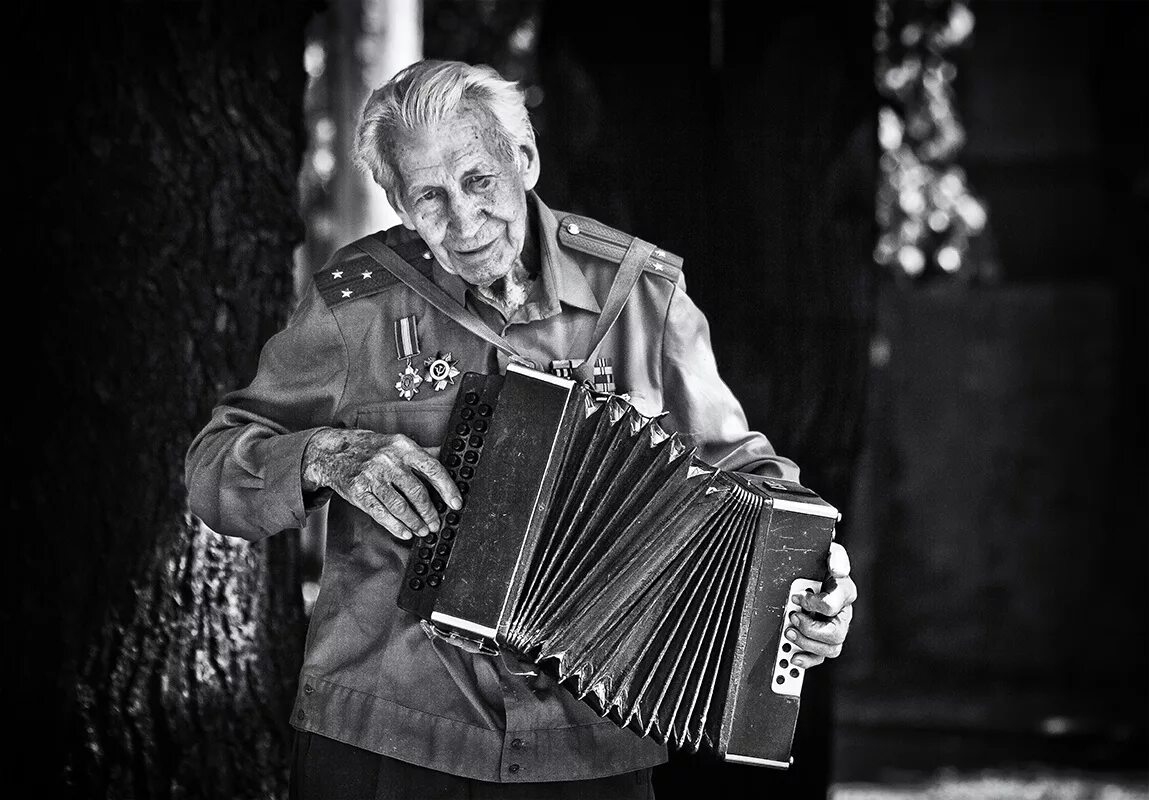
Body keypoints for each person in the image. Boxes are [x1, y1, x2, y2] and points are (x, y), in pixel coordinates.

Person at [186, 59, 856, 800]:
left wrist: (810, 586)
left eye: (479, 181)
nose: (464, 223)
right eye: (429, 198)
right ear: (398, 203)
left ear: (525, 158)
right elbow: (215, 469)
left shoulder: (639, 295)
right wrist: (327, 454)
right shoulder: (357, 308)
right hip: (391, 734)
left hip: (592, 740)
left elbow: (750, 484)